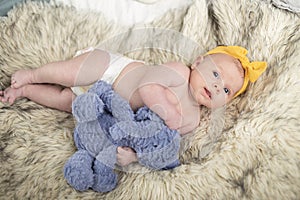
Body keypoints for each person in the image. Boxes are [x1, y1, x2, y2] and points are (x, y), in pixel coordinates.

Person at [0, 45, 267, 166]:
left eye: (227, 90)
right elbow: (147, 86)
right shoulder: (179, 72)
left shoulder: (192, 120)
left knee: (65, 102)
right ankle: (34, 75)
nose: (218, 86)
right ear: (197, 62)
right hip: (109, 71)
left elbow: (162, 145)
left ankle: (26, 91)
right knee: (70, 74)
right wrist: (166, 107)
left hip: (104, 108)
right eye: (216, 74)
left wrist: (134, 157)